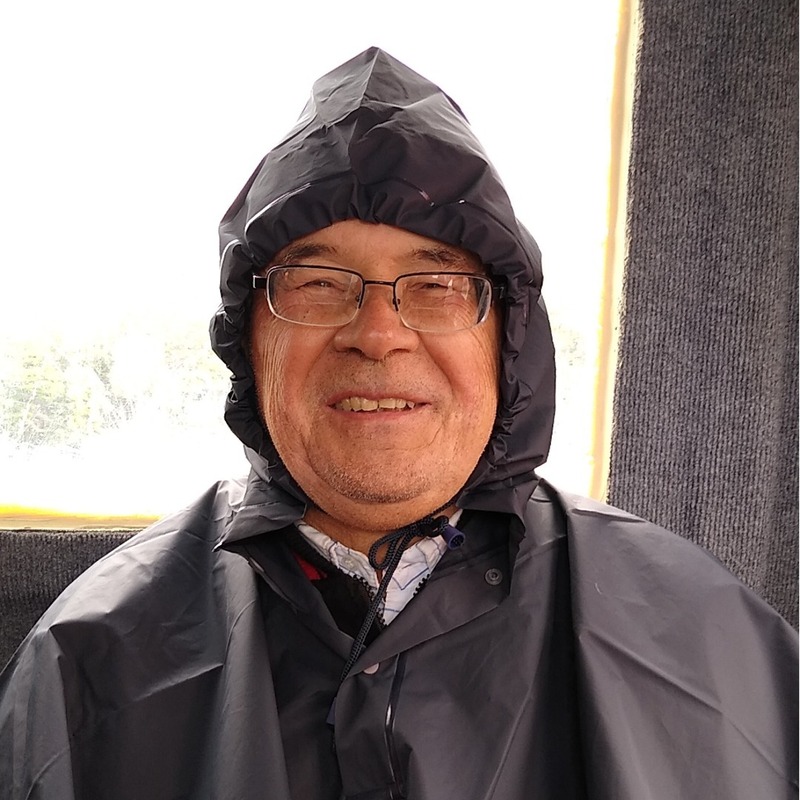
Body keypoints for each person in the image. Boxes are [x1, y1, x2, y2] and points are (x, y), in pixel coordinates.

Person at [0, 47, 796, 800]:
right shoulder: (91, 659)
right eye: (317, 284)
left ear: (508, 342)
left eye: (437, 285)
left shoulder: (710, 643)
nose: (378, 334)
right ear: (249, 341)